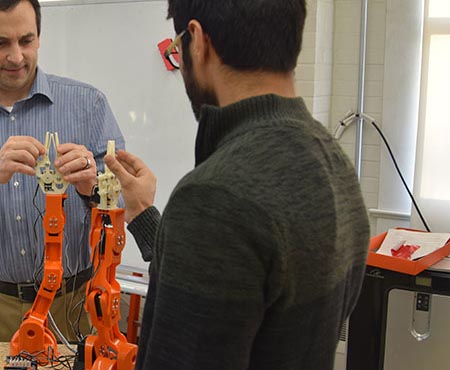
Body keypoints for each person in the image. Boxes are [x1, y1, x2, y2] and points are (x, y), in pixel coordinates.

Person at [104, 0, 370, 369]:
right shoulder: (333, 162)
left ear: (197, 41)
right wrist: (147, 218)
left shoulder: (212, 197)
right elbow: (245, 283)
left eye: (176, 49)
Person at [0, 1, 124, 369]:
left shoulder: (88, 104)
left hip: (73, 305)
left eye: (26, 40)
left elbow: (123, 194)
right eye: (0, 43)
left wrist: (91, 185)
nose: (17, 56)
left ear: (39, 37)